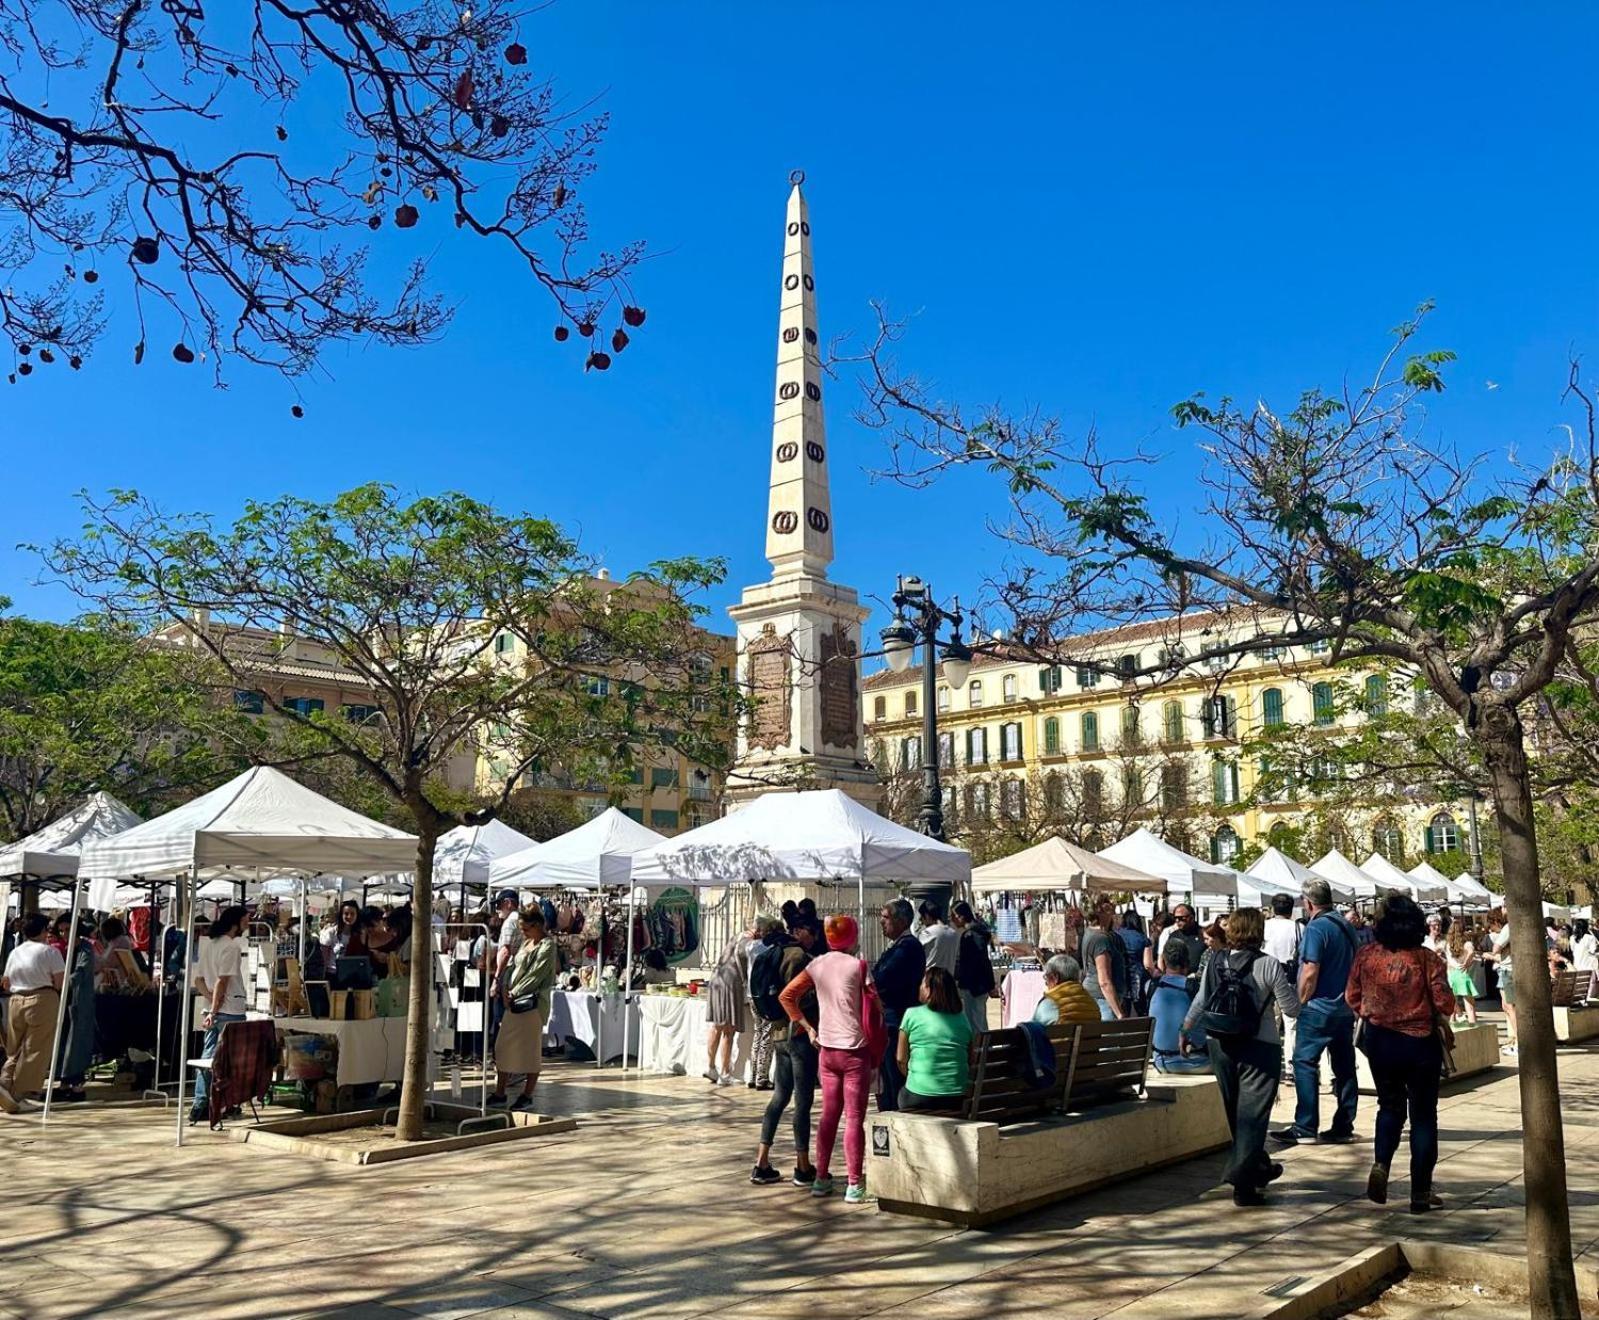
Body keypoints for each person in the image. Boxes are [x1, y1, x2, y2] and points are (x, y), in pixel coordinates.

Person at [1347, 894, 1455, 1213]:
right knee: (1424, 1116)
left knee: (1389, 1106)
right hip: (1420, 1043)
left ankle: (1381, 1163)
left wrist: (1376, 1012)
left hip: (1381, 1041)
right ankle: (1420, 1191)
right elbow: (1444, 1003)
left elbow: (1352, 996)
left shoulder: (1366, 956)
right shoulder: (1427, 959)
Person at [1184, 907, 1299, 1205]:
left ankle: (1259, 1168)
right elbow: (1291, 1009)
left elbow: (1201, 998)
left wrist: (1186, 1027)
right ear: (1258, 931)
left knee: (1238, 1113)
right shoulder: (1269, 965)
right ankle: (1242, 1183)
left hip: (1219, 1043)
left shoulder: (1214, 960)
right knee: (1253, 1116)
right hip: (1260, 1047)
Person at [778, 913, 876, 1204]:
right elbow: (875, 1003)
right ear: (852, 937)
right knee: (854, 1119)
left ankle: (821, 1178)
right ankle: (854, 1183)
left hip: (827, 1051)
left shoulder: (816, 965)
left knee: (828, 1116)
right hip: (855, 1050)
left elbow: (787, 996)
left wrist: (807, 1027)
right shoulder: (859, 966)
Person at [1275, 879, 1359, 1146]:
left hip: (1318, 1007)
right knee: (1344, 1067)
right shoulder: (1347, 926)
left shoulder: (1316, 928)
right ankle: (1344, 1124)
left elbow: (1310, 970)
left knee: (1304, 1063)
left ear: (1307, 902)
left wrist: (1299, 1002)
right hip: (1344, 1008)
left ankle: (1305, 1126)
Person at [751, 916, 821, 1186]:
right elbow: (798, 996)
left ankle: (761, 1161)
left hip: (779, 1033)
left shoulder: (771, 953)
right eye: (810, 932)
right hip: (800, 1034)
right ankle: (803, 1167)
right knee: (802, 1102)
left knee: (779, 1097)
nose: (813, 937)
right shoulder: (799, 957)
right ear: (798, 932)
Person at [489, 908, 556, 1111]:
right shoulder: (527, 943)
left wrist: (514, 991)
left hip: (532, 1004)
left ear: (536, 926)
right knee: (503, 1047)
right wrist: (504, 986)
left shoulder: (548, 946)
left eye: (526, 929)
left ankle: (527, 1095)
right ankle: (500, 1093)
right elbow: (514, 967)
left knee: (530, 1050)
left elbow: (536, 975)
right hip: (515, 1002)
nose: (524, 933)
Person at [0, 913, 66, 1113]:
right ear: (44, 930)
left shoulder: (16, 952)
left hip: (16, 1000)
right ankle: (18, 1094)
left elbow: (6, 980)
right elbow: (60, 981)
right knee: (35, 1048)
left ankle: (5, 1082)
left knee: (15, 1047)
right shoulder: (49, 952)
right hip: (42, 998)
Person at [189, 905, 248, 1125]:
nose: (247, 924)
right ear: (236, 922)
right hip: (228, 1011)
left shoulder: (211, 945)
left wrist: (211, 1001)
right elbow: (222, 981)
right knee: (227, 1061)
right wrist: (215, 1007)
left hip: (214, 1009)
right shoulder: (230, 947)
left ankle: (201, 1103)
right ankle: (221, 1103)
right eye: (245, 920)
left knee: (208, 1058)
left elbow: (200, 980)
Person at [872, 899, 926, 1113]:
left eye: (886, 917)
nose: (881, 922)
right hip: (890, 1020)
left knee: (894, 1078)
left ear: (902, 921)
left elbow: (882, 979)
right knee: (886, 1079)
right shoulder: (898, 947)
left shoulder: (908, 947)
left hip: (898, 1021)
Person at [896, 966, 975, 1110]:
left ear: (929, 990)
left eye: (922, 984)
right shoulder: (962, 1018)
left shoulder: (911, 1015)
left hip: (919, 1095)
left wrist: (917, 1079)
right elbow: (969, 1059)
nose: (919, 987)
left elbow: (901, 1059)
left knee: (901, 1094)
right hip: (956, 1096)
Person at [1150, 939, 1210, 1073]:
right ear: (1187, 962)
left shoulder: (1151, 986)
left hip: (1162, 1062)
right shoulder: (1194, 988)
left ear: (1164, 961)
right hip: (1196, 1061)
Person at [704, 930, 750, 1085]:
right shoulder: (748, 943)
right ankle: (725, 1073)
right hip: (730, 984)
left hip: (717, 980)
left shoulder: (736, 937)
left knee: (716, 1026)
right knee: (728, 1030)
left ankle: (710, 1067)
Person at [745, 917, 784, 1091]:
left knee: (758, 1033)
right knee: (767, 1035)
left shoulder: (750, 946)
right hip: (765, 995)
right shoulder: (770, 948)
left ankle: (752, 1075)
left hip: (752, 993)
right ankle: (762, 1077)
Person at [950, 901, 997, 1035]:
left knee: (976, 1023)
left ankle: (981, 1051)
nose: (952, 920)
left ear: (961, 916)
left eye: (953, 916)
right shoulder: (974, 933)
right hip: (977, 985)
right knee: (978, 1020)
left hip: (974, 986)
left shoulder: (971, 935)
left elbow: (981, 961)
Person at [1080, 899, 1127, 1021]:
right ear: (1099, 910)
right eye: (1108, 905)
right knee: (1109, 1038)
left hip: (1098, 997)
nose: (1113, 907)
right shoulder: (1101, 939)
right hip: (1103, 999)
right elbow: (1104, 981)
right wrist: (1119, 1013)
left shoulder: (1091, 932)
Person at [1032, 953, 1100, 1026]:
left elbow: (1031, 1031)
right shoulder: (1091, 1002)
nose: (1046, 983)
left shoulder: (1050, 1003)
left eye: (1046, 977)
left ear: (1055, 978)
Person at [1485, 908, 1517, 1055]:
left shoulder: (1507, 928)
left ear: (1496, 921)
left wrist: (1489, 955)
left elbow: (1496, 948)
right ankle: (1517, 1040)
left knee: (1510, 1008)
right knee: (1506, 1006)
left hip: (1507, 971)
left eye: (1491, 925)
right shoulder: (1511, 927)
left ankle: (1519, 1042)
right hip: (1507, 970)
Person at [1116, 909, 1151, 1013]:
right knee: (1141, 1012)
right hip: (1139, 977)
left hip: (1120, 976)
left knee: (1123, 1011)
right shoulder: (1143, 938)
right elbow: (1148, 964)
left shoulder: (1116, 935)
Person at [1445, 922, 1479, 1024]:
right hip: (1462, 974)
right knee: (1470, 1005)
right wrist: (1466, 963)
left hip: (1451, 974)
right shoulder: (1467, 943)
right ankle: (1473, 1026)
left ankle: (1453, 1026)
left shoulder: (1448, 945)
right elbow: (1472, 952)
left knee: (1452, 1005)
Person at [1263, 894, 1301, 983]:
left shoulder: (1262, 925)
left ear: (1273, 909)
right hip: (1288, 977)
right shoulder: (1299, 927)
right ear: (1291, 910)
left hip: (1265, 975)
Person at [917, 900, 960, 975]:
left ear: (927, 916)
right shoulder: (954, 934)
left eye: (921, 917)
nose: (921, 920)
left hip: (929, 980)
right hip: (948, 980)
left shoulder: (927, 933)